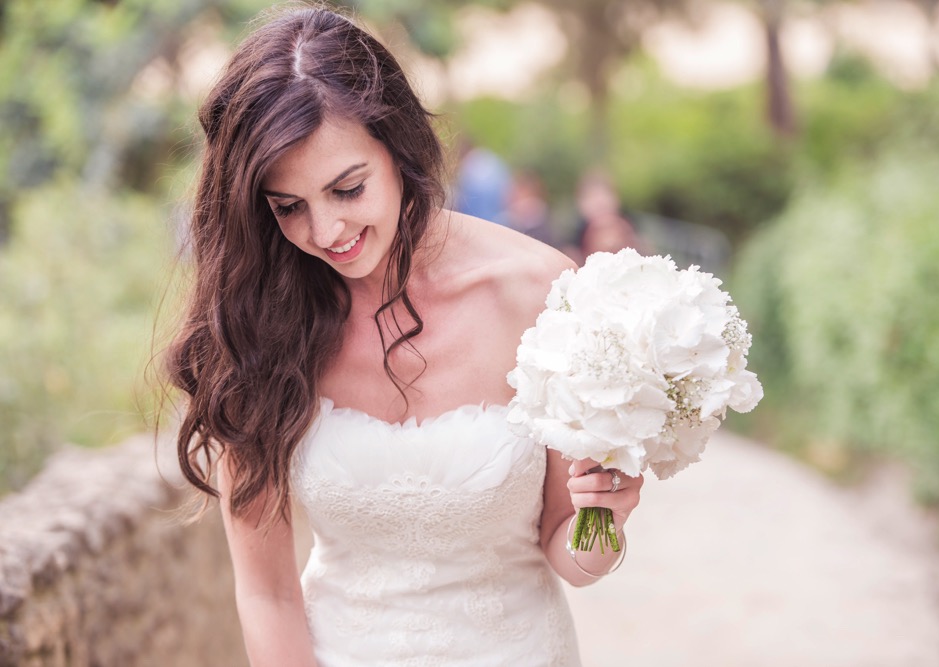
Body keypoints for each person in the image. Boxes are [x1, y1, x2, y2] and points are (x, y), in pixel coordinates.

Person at [163, 7, 643, 667]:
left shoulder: (542, 294)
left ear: (397, 145)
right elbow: (267, 594)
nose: (327, 230)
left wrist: (604, 518)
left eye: (347, 188)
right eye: (289, 206)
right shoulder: (259, 323)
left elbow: (571, 553)